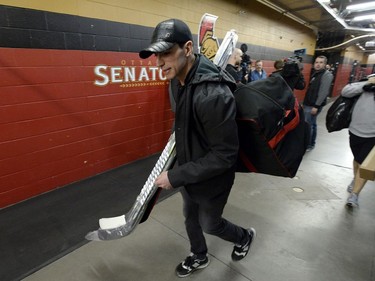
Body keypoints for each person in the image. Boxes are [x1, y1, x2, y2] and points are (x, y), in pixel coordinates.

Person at [139, 19, 256, 278]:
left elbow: (225, 156)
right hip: (190, 168)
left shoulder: (213, 94)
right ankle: (199, 255)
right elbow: (182, 124)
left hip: (213, 180)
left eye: (167, 53)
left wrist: (175, 175)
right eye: (157, 55)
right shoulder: (176, 80)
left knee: (210, 224)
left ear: (188, 48)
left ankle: (244, 236)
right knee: (190, 218)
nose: (159, 62)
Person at [341, 75, 375, 207]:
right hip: (355, 130)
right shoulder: (366, 83)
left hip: (373, 135)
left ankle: (354, 195)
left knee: (364, 164)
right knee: (357, 159)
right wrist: (366, 83)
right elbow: (345, 91)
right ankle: (355, 179)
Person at [302, 55, 333, 151]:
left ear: (325, 64)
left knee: (309, 125)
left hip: (313, 105)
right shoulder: (316, 74)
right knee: (312, 124)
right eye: (316, 62)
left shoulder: (326, 75)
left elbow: (323, 92)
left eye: (321, 62)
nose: (318, 64)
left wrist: (316, 106)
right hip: (308, 103)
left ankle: (308, 144)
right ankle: (310, 143)